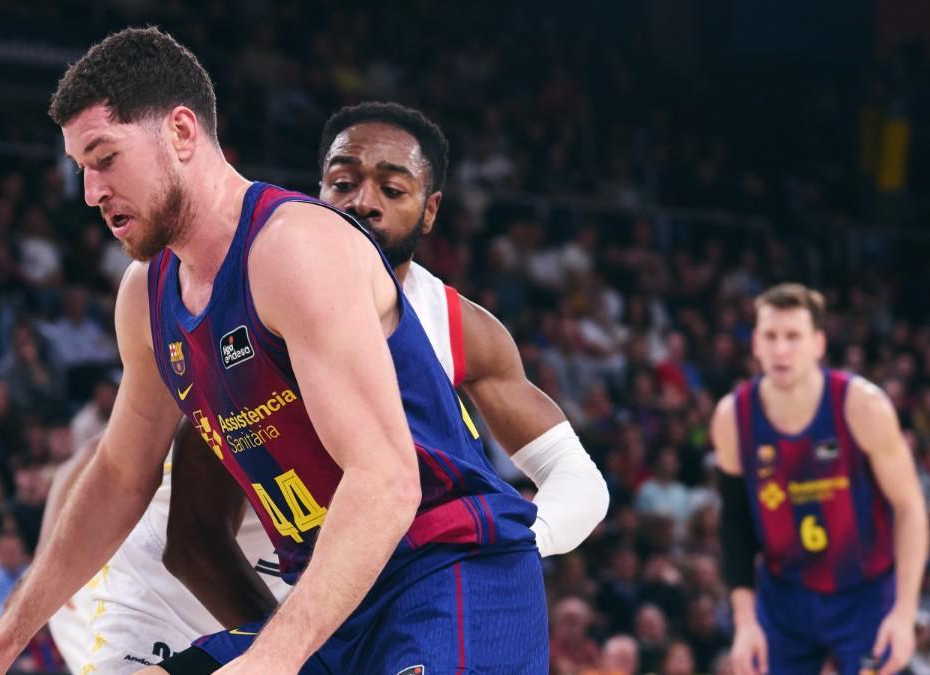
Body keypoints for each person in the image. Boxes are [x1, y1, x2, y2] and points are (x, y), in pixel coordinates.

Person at [0, 27, 548, 674]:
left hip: (445, 571)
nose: (91, 192)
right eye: (80, 168)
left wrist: (273, 658)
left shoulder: (293, 250)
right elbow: (119, 475)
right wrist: (1, 644)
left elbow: (388, 481)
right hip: (333, 601)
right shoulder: (146, 294)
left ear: (180, 132)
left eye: (105, 158)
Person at [45, 101, 610, 673]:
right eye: (342, 182)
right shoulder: (264, 284)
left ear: (430, 209)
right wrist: (289, 647)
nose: (363, 202)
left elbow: (578, 478)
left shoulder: (457, 326)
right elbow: (184, 530)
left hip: (365, 591)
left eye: (392, 190)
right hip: (203, 592)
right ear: (317, 189)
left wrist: (497, 545)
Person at [712, 283, 927, 675]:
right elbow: (735, 524)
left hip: (864, 594)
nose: (780, 349)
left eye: (793, 337)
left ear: (818, 343)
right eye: (770, 336)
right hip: (783, 599)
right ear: (755, 344)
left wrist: (904, 610)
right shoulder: (732, 418)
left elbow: (910, 508)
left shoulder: (863, 406)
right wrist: (744, 622)